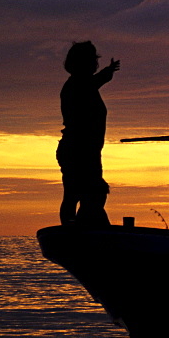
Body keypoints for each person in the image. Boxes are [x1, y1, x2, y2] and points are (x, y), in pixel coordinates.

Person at [55, 41, 120, 226]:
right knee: (82, 193)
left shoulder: (82, 84)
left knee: (86, 194)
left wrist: (109, 71)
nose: (94, 64)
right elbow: (97, 80)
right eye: (92, 60)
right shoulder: (78, 84)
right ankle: (74, 232)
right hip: (78, 150)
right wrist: (108, 72)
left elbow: (98, 80)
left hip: (86, 150)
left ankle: (82, 229)